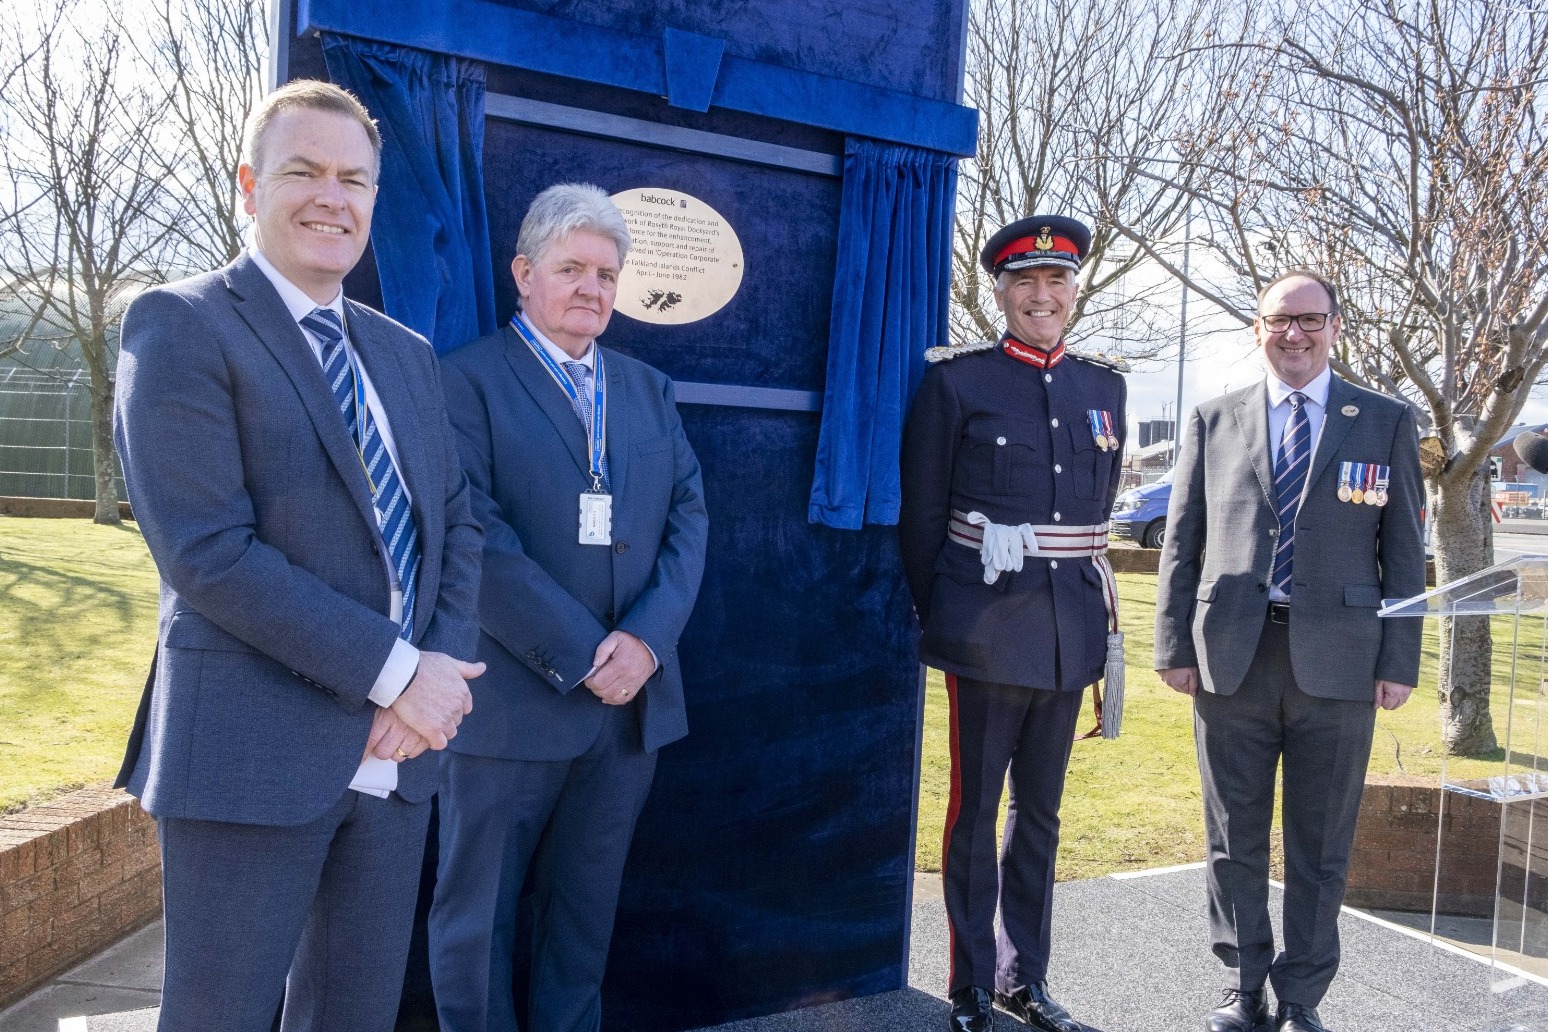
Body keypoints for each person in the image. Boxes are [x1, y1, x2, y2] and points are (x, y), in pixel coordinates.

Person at [112, 80, 485, 1032]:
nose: (333, 196)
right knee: (220, 1016)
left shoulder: (405, 353)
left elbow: (455, 524)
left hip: (395, 757)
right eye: (304, 171)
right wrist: (398, 671)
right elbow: (209, 554)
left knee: (351, 1017)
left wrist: (428, 684)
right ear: (248, 185)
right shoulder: (182, 324)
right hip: (251, 752)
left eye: (354, 178)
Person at [429, 183, 709, 1032]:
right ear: (523, 272)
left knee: (581, 925)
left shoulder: (649, 389)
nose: (591, 287)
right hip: (510, 708)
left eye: (606, 273)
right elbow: (470, 532)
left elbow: (688, 519)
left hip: (629, 713)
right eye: (571, 268)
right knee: (478, 925)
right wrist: (590, 654)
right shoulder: (463, 381)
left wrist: (647, 643)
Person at [1154, 269, 1424, 1032]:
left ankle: (1301, 996)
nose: (1294, 334)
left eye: (1310, 320)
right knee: (1232, 838)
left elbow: (1404, 554)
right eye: (1280, 321)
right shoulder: (1214, 418)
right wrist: (1174, 645)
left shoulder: (1386, 420)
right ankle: (1243, 988)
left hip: (1339, 665)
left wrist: (1398, 659)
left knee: (1321, 842)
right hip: (1231, 658)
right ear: (1257, 327)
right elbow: (1182, 543)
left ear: (1336, 325)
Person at [899, 215, 1126, 1032]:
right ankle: (967, 986)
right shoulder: (959, 383)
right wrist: (949, 615)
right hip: (988, 633)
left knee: (1044, 817)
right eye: (1025, 283)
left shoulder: (1106, 386)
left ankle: (1023, 978)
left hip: (1070, 637)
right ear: (1001, 293)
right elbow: (922, 519)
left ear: (1073, 291)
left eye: (1055, 282)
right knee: (974, 814)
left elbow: (1093, 521)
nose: (1042, 296)